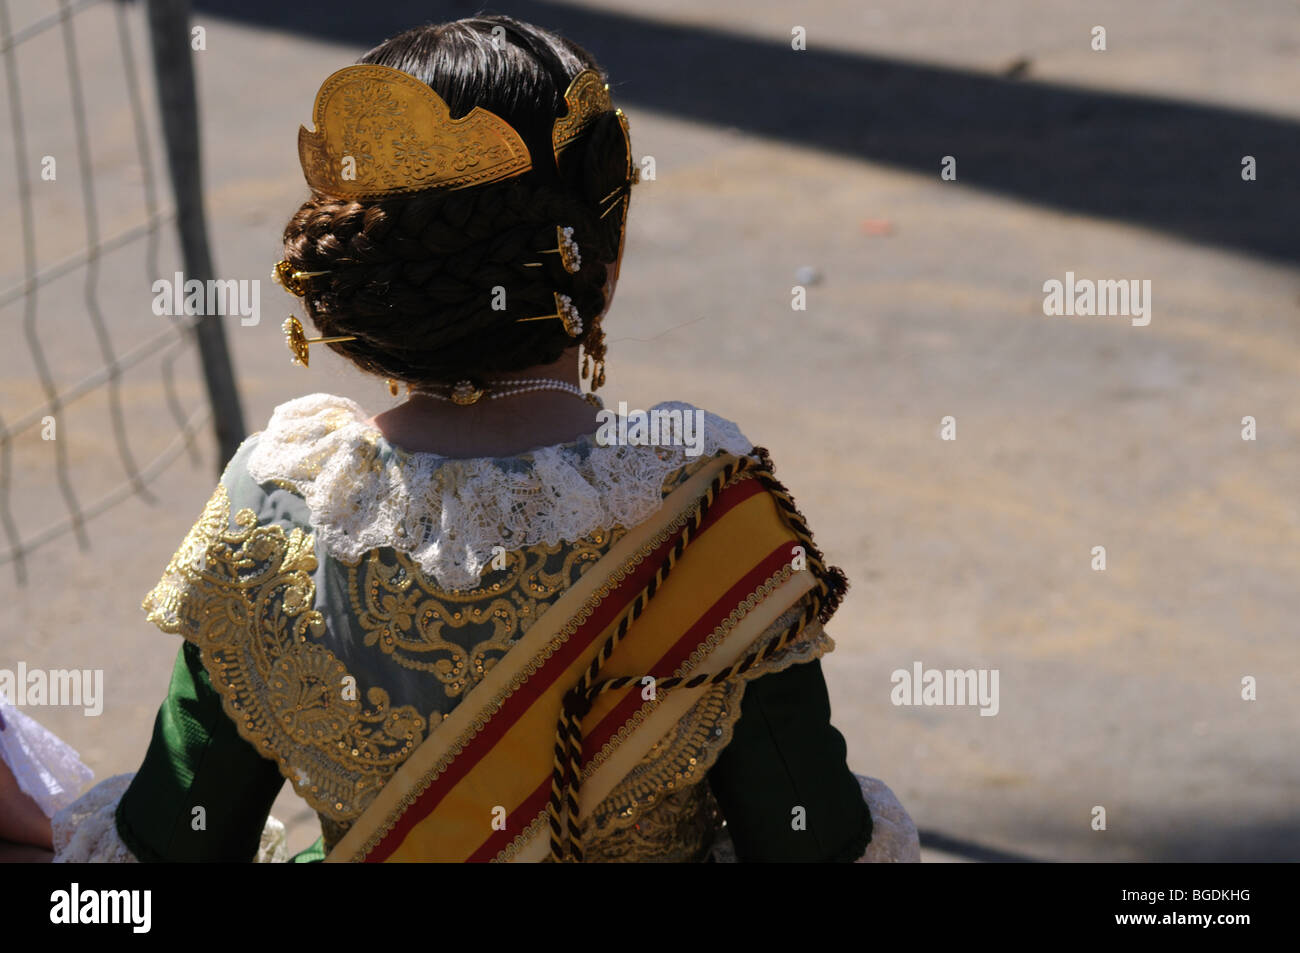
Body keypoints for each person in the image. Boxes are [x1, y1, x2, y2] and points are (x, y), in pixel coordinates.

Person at [0, 15, 917, 863]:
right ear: (601, 256)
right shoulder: (709, 516)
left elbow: (171, 846)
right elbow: (810, 841)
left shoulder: (271, 511)